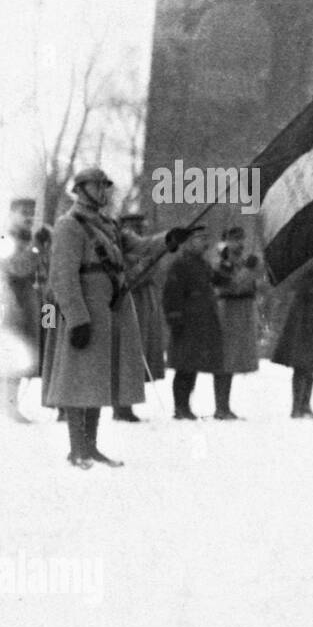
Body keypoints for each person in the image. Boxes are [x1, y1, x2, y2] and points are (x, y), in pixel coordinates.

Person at [44, 168, 197, 465]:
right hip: (87, 312)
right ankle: (77, 449)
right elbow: (63, 277)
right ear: (80, 189)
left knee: (99, 378)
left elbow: (140, 247)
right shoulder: (69, 225)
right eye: (98, 186)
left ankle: (91, 448)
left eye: (106, 187)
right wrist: (77, 318)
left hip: (110, 310)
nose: (104, 192)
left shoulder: (108, 225)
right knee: (80, 380)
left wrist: (170, 239)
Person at [163, 226, 224, 420]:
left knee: (192, 366)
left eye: (206, 238)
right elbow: (171, 293)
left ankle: (185, 407)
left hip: (202, 323)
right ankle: (180, 408)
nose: (205, 242)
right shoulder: (180, 265)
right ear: (188, 242)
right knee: (184, 367)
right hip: (186, 322)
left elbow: (218, 280)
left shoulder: (202, 264)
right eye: (200, 238)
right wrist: (174, 317)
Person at [112, 211, 167, 422]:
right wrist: (145, 265)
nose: (140, 232)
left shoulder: (143, 250)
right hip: (129, 303)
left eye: (141, 228)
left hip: (144, 304)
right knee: (127, 355)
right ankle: (122, 406)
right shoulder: (121, 252)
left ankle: (128, 403)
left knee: (140, 352)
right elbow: (130, 275)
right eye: (135, 228)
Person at [272, 256, 313, 417]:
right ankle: (299, 407)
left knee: (311, 366)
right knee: (303, 365)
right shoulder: (309, 271)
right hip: (305, 322)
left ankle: (306, 405)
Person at [211, 225, 261, 420]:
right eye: (234, 239)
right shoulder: (222, 262)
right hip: (228, 309)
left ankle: (224, 406)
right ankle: (221, 406)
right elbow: (232, 285)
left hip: (244, 309)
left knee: (234, 358)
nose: (239, 243)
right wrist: (249, 270)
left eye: (241, 239)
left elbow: (257, 283)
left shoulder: (242, 261)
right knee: (226, 358)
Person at [2, 198, 42, 422]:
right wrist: (37, 248)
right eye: (24, 212)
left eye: (32, 213)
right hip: (10, 301)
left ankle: (12, 405)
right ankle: (9, 407)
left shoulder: (28, 239)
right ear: (12, 213)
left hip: (30, 300)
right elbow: (17, 267)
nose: (29, 217)